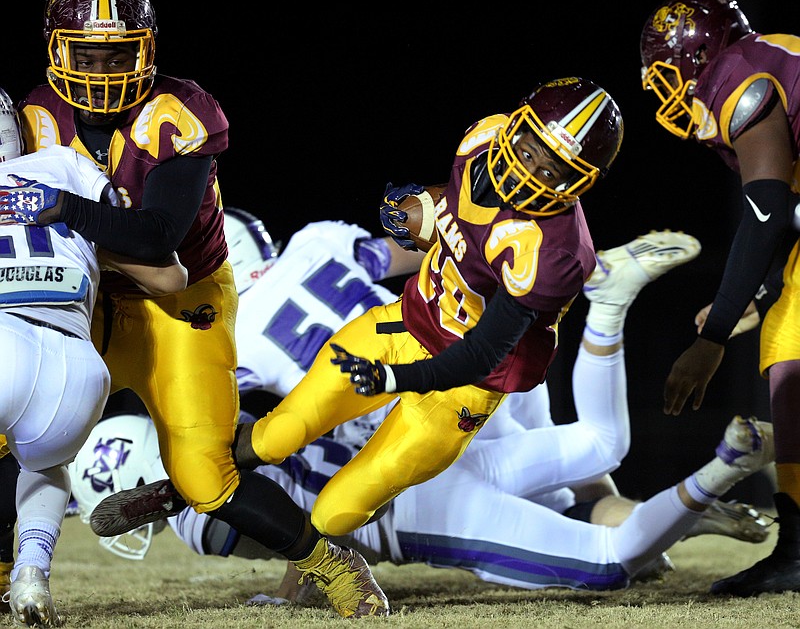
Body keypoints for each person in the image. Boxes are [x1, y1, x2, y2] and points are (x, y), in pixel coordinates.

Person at [69, 222, 776, 600]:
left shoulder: (225, 346)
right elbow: (422, 251)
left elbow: (278, 503)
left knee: (602, 554)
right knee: (592, 461)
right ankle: (608, 312)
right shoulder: (318, 244)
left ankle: (704, 487)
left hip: (411, 453)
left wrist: (295, 584)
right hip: (478, 361)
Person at [86, 76, 625, 547]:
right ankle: (189, 491)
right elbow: (447, 212)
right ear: (516, 125)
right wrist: (418, 210)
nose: (530, 173)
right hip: (404, 325)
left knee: (338, 507)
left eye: (555, 170)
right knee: (281, 435)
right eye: (530, 149)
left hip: (468, 381)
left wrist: (395, 377)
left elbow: (480, 353)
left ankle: (302, 553)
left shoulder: (551, 254)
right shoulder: (481, 143)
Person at [0, 0, 387, 618]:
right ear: (56, 49)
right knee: (13, 424)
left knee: (204, 476)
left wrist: (61, 206)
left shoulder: (181, 115)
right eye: (87, 52)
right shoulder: (39, 114)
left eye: (118, 52)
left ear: (147, 50)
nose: (101, 68)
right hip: (90, 295)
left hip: (181, 302)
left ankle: (329, 563)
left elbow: (157, 240)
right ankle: (8, 568)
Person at [0, 85, 188, 627]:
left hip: (5, 343)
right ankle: (31, 572)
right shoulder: (66, 168)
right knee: (44, 461)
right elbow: (172, 276)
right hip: (78, 375)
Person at [640, 0, 800, 596]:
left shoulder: (741, 78)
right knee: (787, 334)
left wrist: (710, 340)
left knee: (790, 345)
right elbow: (785, 217)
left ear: (698, 54)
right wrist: (757, 291)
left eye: (667, 71)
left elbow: (765, 215)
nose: (664, 87)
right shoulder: (762, 63)